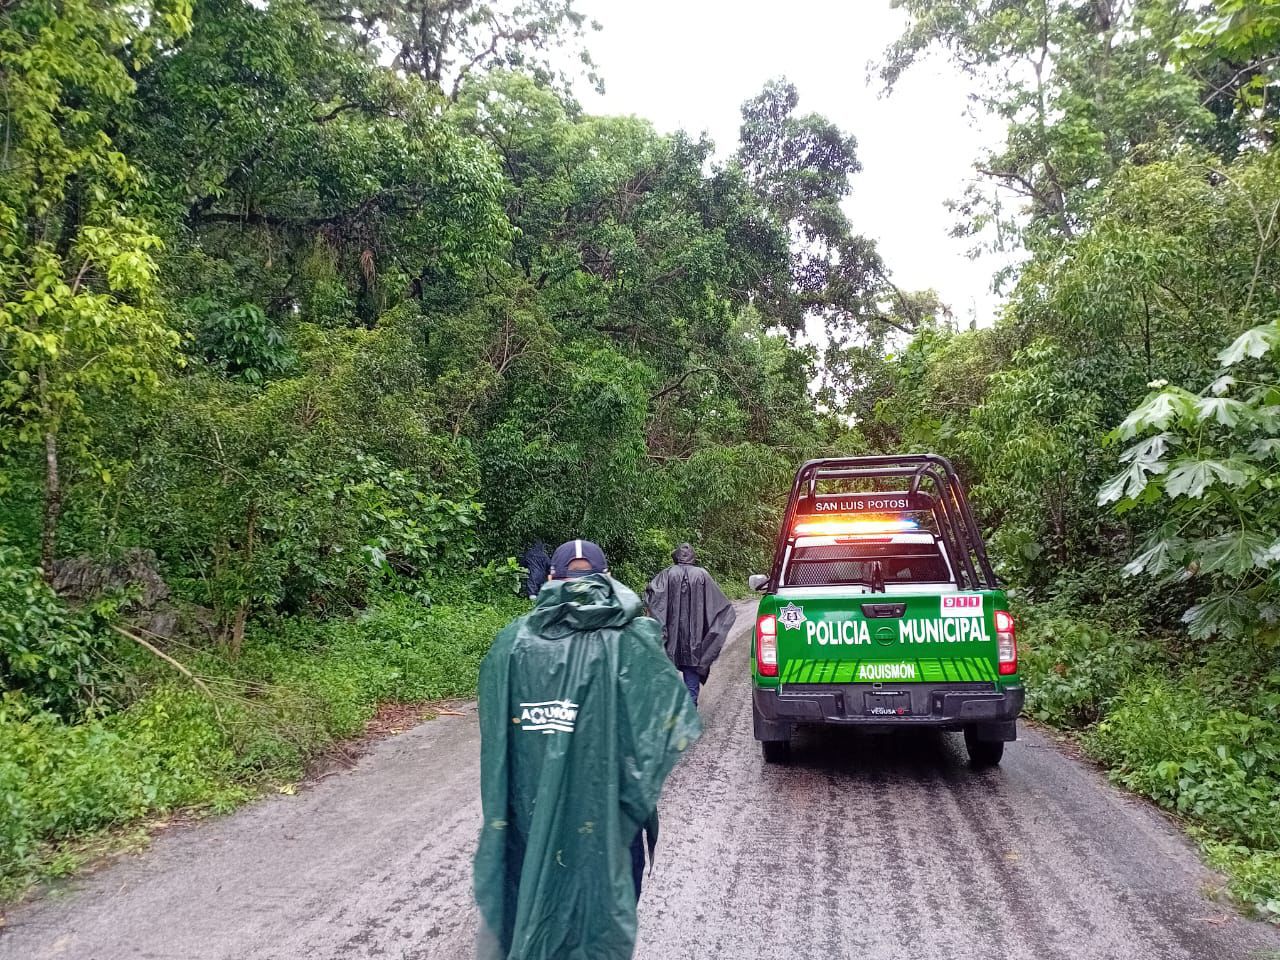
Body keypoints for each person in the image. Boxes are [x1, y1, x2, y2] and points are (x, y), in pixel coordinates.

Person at [474, 539, 701, 960]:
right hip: (610, 814)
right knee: (604, 913)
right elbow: (666, 726)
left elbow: (498, 741)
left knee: (540, 902)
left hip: (535, 813)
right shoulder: (634, 639)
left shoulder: (513, 643)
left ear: (551, 578)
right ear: (607, 577)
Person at [644, 543, 736, 708]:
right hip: (695, 639)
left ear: (676, 556)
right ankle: (690, 708)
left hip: (671, 639)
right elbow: (721, 607)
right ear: (693, 557)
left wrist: (658, 630)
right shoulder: (702, 575)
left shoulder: (667, 574)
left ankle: (670, 709)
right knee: (691, 672)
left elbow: (653, 597)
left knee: (668, 671)